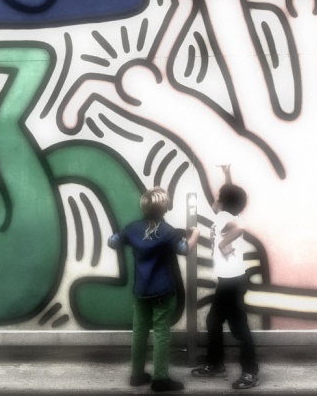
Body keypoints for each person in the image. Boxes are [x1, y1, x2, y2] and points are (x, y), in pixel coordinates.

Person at [108, 187, 199, 392]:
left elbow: (112, 242)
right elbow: (185, 249)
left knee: (139, 332)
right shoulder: (167, 231)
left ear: (144, 207)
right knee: (161, 333)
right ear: (164, 209)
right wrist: (196, 234)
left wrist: (128, 240)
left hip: (141, 289)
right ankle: (160, 379)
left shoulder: (133, 228)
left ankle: (136, 375)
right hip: (162, 289)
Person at [192, 166, 259, 389]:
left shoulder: (225, 218)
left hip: (232, 281)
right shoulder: (227, 214)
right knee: (214, 321)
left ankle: (250, 372)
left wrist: (222, 244)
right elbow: (231, 200)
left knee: (238, 328)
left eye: (217, 198)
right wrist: (227, 175)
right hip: (231, 280)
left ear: (221, 203)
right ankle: (216, 364)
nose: (215, 200)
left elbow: (240, 227)